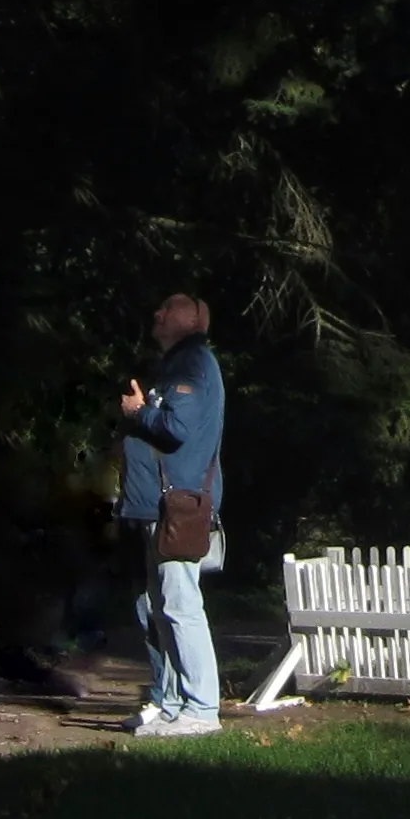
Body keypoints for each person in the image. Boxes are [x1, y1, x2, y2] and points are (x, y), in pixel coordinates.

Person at [116, 290, 225, 736]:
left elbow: (177, 428)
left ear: (191, 321)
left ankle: (202, 709)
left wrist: (140, 413)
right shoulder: (178, 364)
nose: (157, 313)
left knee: (180, 606)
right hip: (158, 508)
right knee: (156, 608)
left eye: (168, 309)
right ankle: (173, 704)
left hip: (177, 509)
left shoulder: (194, 364)